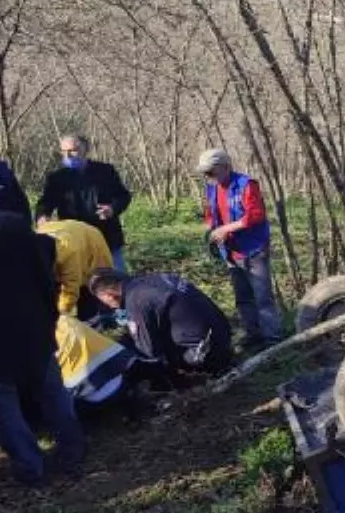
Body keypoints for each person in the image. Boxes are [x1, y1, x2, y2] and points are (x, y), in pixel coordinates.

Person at [0, 207, 86, 486]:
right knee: (52, 390)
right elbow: (45, 271)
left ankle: (31, 468)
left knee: (2, 408)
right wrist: (49, 314)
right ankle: (73, 448)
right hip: (31, 324)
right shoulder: (11, 221)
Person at [196, 148, 283, 351]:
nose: (208, 176)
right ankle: (253, 334)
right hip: (231, 251)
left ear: (225, 166)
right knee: (243, 297)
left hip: (253, 248)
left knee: (262, 296)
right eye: (205, 173)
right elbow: (211, 214)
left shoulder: (246, 185)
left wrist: (227, 228)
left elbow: (256, 215)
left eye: (211, 171)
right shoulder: (212, 188)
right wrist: (211, 230)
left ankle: (274, 339)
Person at [88, 268, 234, 379]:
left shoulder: (136, 301)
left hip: (205, 353)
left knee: (130, 349)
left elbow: (149, 351)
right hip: (221, 333)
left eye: (104, 301)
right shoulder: (153, 279)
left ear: (109, 294)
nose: (108, 306)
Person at [36, 134, 133, 272]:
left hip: (107, 236)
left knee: (115, 280)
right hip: (74, 237)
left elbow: (123, 196)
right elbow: (46, 202)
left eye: (73, 151)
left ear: (86, 150)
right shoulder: (57, 178)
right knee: (78, 281)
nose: (68, 156)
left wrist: (112, 209)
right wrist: (42, 216)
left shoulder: (105, 171)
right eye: (64, 152)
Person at [36, 219, 114, 320]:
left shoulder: (69, 253)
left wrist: (58, 317)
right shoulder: (29, 249)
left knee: (95, 285)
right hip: (65, 232)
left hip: (90, 241)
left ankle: (99, 320)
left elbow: (70, 290)